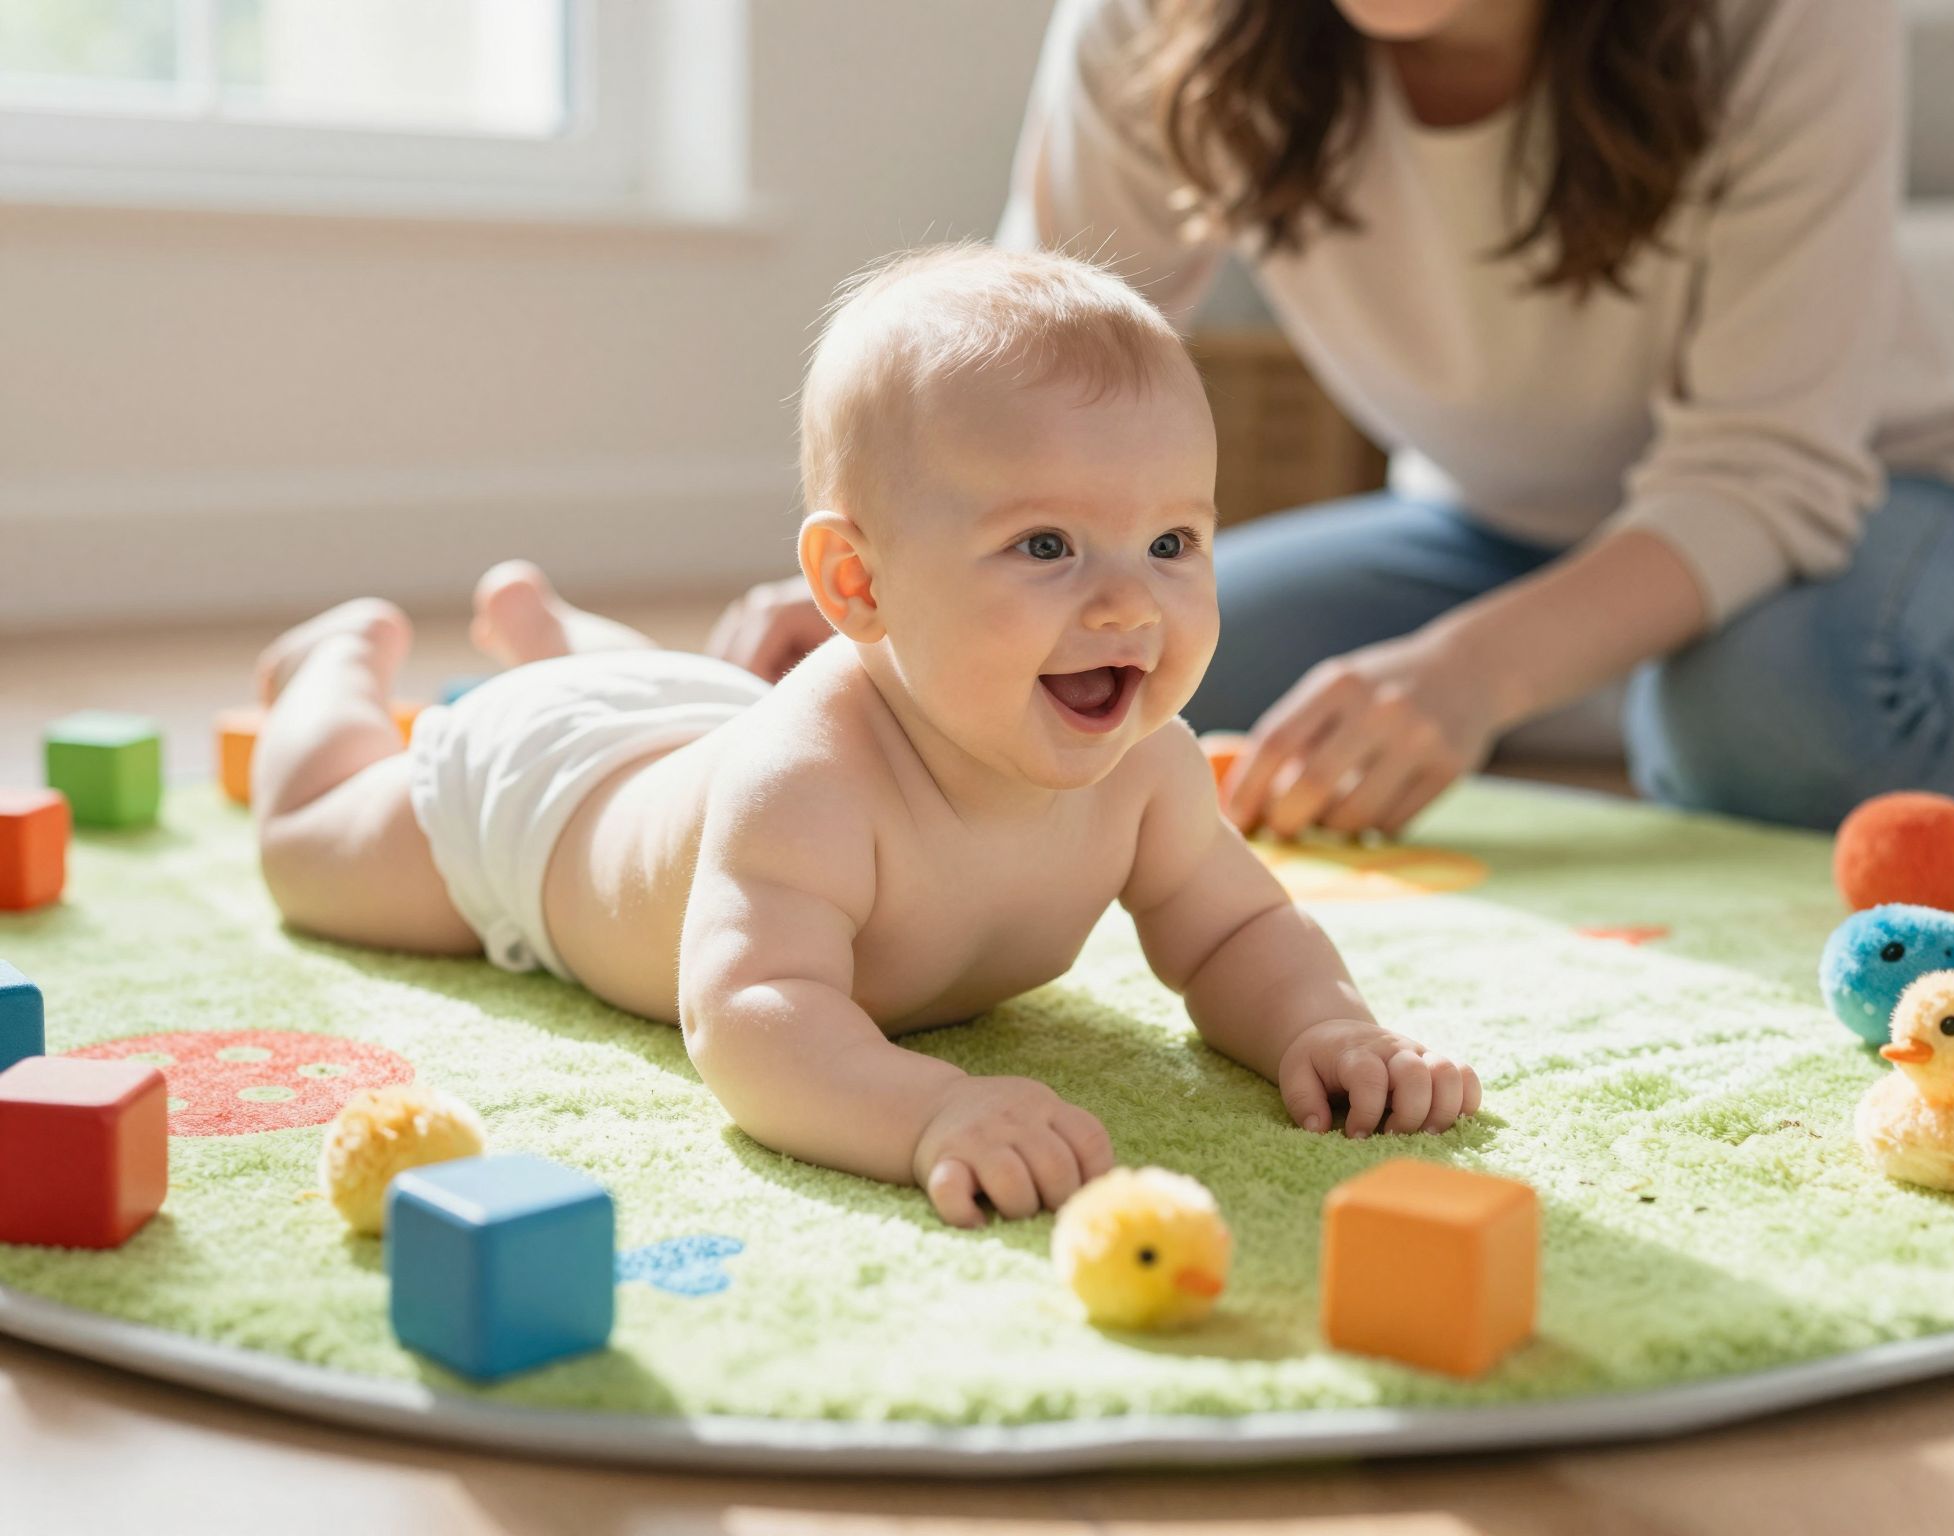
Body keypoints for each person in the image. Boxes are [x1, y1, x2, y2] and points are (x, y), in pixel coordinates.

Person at [247, 244, 1482, 1231]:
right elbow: (747, 1018)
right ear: (857, 586)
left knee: (673, 702)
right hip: (538, 805)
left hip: (692, 721)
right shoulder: (810, 778)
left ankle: (564, 636)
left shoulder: (1145, 763)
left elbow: (1239, 929)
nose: (1126, 605)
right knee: (311, 852)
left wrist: (1324, 1026)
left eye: (1171, 544)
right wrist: (925, 1113)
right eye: (1045, 545)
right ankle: (334, 673)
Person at [711, 0, 1954, 846]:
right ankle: (1604, 683)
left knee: (1768, 737)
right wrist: (910, 587)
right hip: (1471, 522)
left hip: (1857, 502)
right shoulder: (1156, 23)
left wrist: (1472, 676)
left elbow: (1765, 467)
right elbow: (1015, 364)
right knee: (1105, 677)